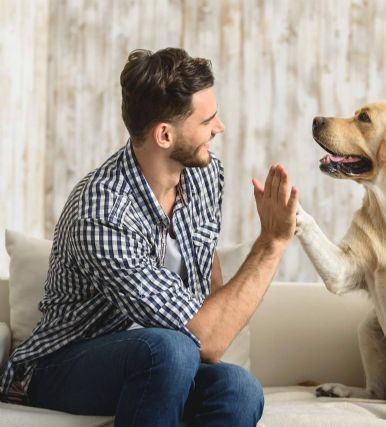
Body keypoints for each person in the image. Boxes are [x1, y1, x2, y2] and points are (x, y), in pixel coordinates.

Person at [0, 47, 298, 426]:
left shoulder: (204, 174)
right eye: (207, 120)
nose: (219, 127)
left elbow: (207, 272)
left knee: (239, 389)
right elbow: (205, 337)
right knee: (170, 348)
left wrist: (211, 336)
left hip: (166, 360)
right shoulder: (102, 212)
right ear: (164, 135)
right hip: (62, 366)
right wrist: (271, 243)